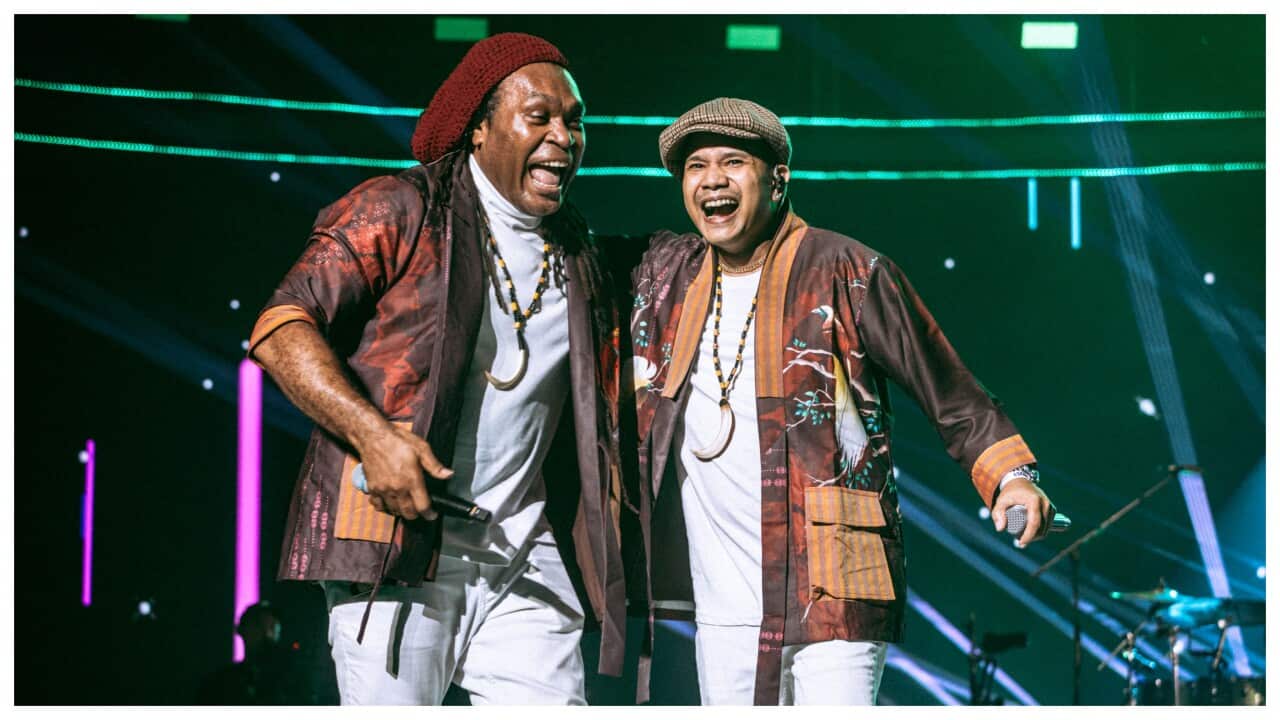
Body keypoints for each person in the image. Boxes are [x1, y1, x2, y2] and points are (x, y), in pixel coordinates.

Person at [626, 98, 1057, 705]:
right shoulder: (665, 276)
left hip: (834, 586)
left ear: (779, 178)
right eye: (695, 166)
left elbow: (944, 382)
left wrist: (1008, 474)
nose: (712, 180)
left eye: (733, 162)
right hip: (723, 603)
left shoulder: (846, 267)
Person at [248, 33, 628, 705]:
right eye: (539, 116)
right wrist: (376, 439)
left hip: (519, 552)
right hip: (399, 542)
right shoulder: (402, 207)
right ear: (480, 127)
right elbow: (279, 329)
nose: (564, 137)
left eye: (575, 121)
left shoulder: (578, 250)